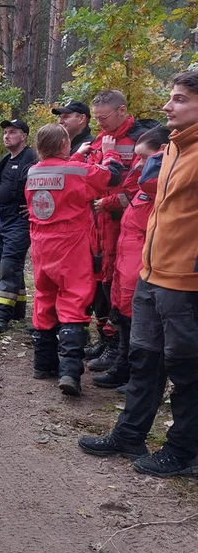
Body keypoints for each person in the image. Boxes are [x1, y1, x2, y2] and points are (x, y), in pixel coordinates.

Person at [79, 71, 198, 476]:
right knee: (145, 360)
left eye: (179, 99)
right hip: (152, 272)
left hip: (185, 282)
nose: (168, 107)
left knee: (185, 370)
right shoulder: (173, 150)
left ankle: (184, 452)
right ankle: (130, 434)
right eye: (170, 98)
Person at [25, 124, 119, 397]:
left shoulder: (34, 171)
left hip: (42, 246)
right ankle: (69, 372)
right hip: (72, 247)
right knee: (74, 303)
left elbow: (63, 174)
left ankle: (43, 365)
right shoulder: (78, 172)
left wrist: (77, 155)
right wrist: (110, 153)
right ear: (65, 144)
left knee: (44, 299)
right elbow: (110, 177)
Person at [77, 90, 157, 371]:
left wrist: (109, 201)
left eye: (104, 117)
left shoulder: (141, 140)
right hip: (97, 220)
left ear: (122, 111)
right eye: (96, 118)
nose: (99, 124)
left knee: (117, 284)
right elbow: (91, 172)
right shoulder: (100, 139)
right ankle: (106, 339)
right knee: (99, 279)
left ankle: (116, 345)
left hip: (122, 221)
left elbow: (137, 186)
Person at [92, 127, 169, 390]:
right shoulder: (144, 186)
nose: (139, 163)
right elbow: (128, 188)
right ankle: (124, 369)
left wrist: (154, 162)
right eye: (137, 158)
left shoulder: (160, 183)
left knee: (136, 323)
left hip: (141, 264)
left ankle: (133, 375)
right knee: (123, 315)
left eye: (146, 158)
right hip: (126, 260)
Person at [0, 119, 37, 332]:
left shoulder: (31, 158)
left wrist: (34, 208)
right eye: (5, 132)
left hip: (19, 222)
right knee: (1, 265)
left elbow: (43, 187)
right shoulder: (6, 159)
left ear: (23, 136)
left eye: (12, 132)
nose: (6, 136)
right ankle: (17, 307)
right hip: (1, 220)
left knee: (9, 265)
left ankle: (1, 314)